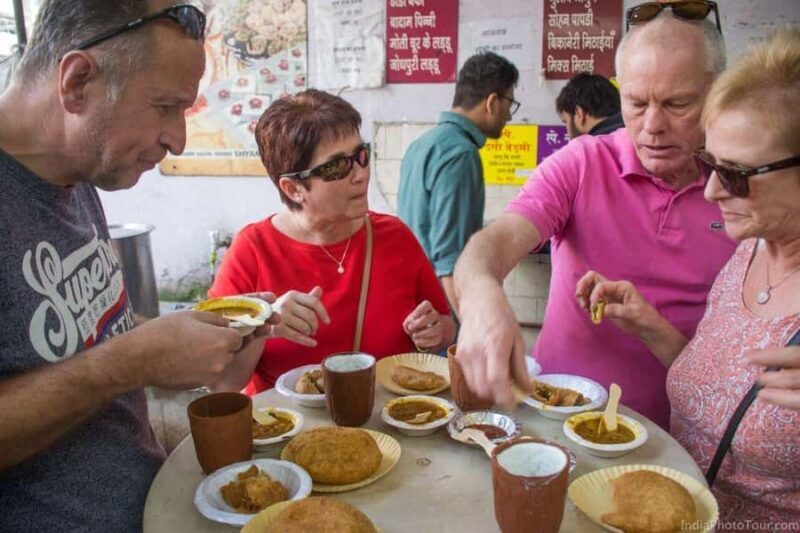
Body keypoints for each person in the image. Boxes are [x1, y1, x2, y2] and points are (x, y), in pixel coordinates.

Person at [0, 2, 280, 531]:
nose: (178, 139)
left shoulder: (78, 169)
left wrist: (205, 329)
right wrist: (129, 361)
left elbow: (87, 339)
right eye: (165, 106)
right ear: (78, 81)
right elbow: (111, 360)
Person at [453, 2, 736, 430]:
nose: (652, 125)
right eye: (636, 103)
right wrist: (480, 295)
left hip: (679, 435)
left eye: (677, 104)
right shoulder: (583, 161)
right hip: (557, 417)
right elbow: (496, 241)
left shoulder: (742, 185)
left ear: (718, 94)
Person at [576, 28, 800, 526]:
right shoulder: (746, 255)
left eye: (738, 174)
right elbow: (720, 393)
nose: (714, 191)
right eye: (710, 164)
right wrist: (649, 326)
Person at [209, 89, 456, 394]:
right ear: (293, 188)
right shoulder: (252, 251)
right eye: (337, 166)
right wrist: (262, 324)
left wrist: (433, 332)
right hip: (286, 433)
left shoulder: (395, 238)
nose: (360, 174)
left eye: (361, 156)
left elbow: (446, 327)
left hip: (381, 429)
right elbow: (222, 384)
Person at [397, 52, 519, 314]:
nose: (509, 115)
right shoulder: (461, 154)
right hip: (442, 308)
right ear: (492, 102)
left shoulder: (422, 145)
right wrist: (467, 328)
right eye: (510, 104)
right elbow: (449, 260)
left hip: (413, 300)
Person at [556, 72, 623, 140]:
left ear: (579, 113)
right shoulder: (631, 134)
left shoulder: (584, 148)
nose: (568, 134)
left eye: (566, 122)